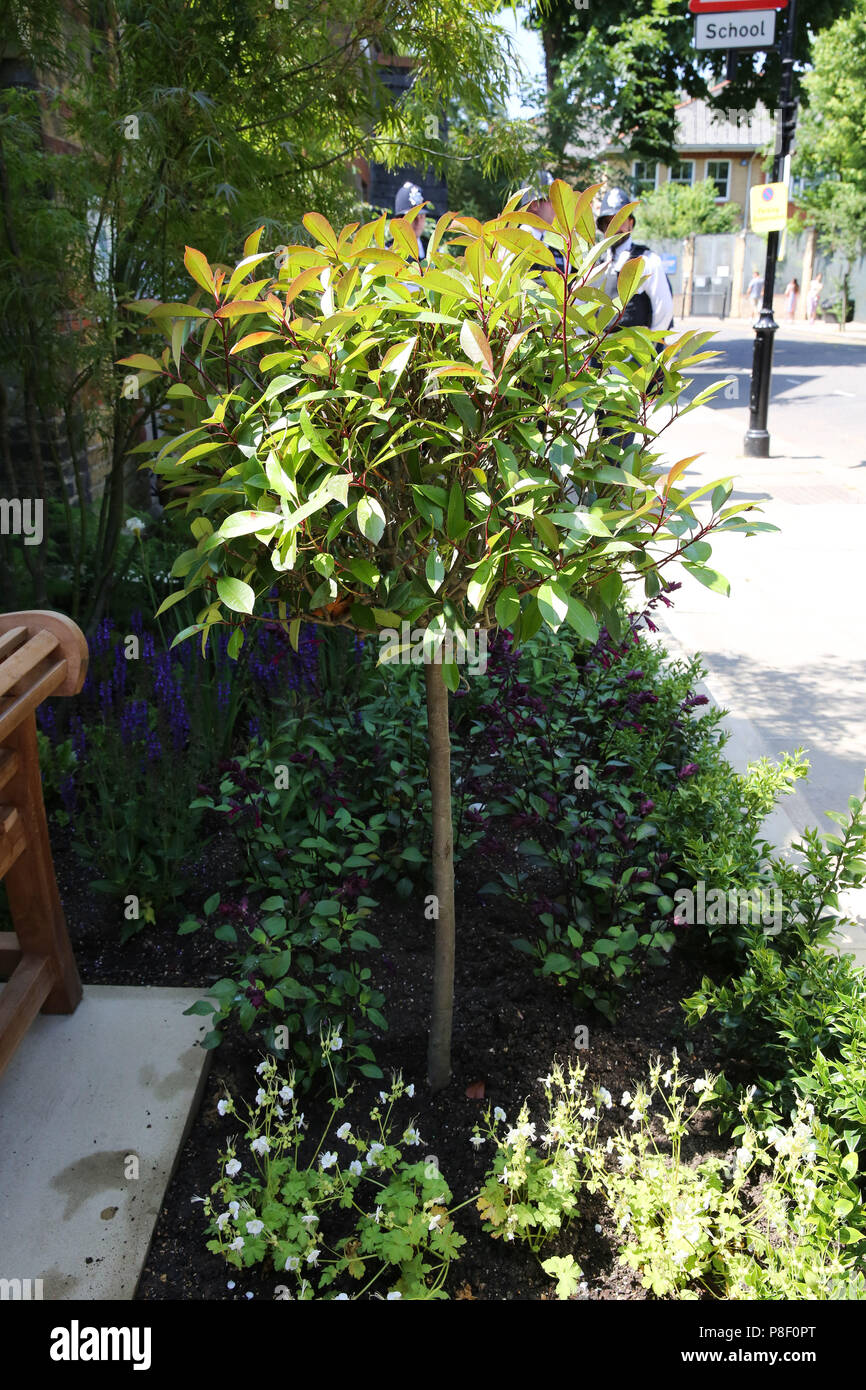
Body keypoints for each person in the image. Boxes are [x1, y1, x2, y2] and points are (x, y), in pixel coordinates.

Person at [593, 186, 674, 331]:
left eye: (620, 220)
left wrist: (650, 346)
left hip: (633, 348)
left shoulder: (648, 260)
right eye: (609, 222)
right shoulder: (596, 262)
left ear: (630, 223)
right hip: (598, 349)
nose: (614, 228)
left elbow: (663, 309)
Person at [392, 180, 429, 260]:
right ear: (399, 219)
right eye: (413, 217)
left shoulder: (431, 249)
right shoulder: (390, 251)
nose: (418, 222)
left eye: (421, 216)